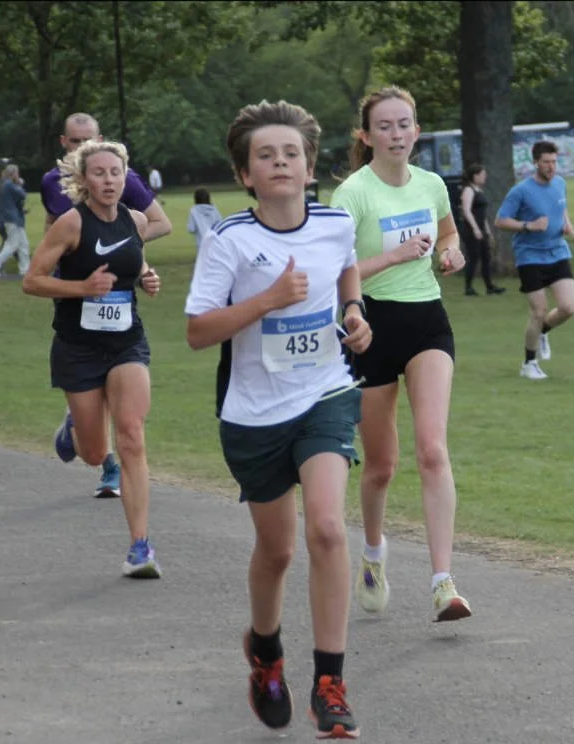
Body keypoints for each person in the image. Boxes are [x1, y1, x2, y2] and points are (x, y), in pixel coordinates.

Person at [185, 100, 371, 740]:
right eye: (266, 155)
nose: (281, 162)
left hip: (324, 396)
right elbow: (197, 332)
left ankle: (330, 682)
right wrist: (267, 300)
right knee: (279, 548)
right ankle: (266, 651)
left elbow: (346, 269)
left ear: (310, 165)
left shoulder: (335, 223)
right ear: (246, 174)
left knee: (325, 528)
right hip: (254, 415)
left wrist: (353, 312)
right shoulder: (229, 241)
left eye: (291, 153)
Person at [330, 85, 473, 624]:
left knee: (432, 449)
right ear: (366, 135)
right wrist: (390, 256)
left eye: (405, 124)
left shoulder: (433, 184)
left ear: (417, 130)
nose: (396, 134)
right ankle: (372, 553)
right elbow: (336, 272)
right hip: (371, 327)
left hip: (427, 323)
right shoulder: (353, 195)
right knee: (382, 466)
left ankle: (443, 583)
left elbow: (447, 231)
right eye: (385, 126)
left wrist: (449, 251)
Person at [22, 140, 163, 579]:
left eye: (115, 173)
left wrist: (146, 276)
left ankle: (140, 546)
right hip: (78, 348)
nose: (109, 180)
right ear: (83, 180)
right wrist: (83, 289)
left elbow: (131, 260)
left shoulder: (135, 220)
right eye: (99, 173)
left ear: (125, 177)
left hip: (126, 342)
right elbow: (33, 281)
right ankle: (74, 427)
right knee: (95, 452)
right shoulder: (70, 224)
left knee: (131, 437)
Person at [40, 112, 172, 498]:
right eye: (77, 142)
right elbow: (52, 225)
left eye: (90, 140)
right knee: (93, 444)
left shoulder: (121, 179)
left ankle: (120, 478)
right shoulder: (52, 182)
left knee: (130, 419)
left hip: (121, 313)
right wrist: (67, 258)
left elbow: (157, 224)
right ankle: (87, 436)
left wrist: (136, 264)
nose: (84, 148)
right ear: (65, 144)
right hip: (76, 302)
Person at [494, 140, 574, 381]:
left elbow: (560, 208)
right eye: (546, 162)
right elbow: (500, 221)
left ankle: (543, 331)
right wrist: (529, 226)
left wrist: (567, 223)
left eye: (554, 162)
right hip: (529, 256)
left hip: (558, 251)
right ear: (535, 163)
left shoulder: (560, 183)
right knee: (538, 310)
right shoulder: (520, 191)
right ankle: (529, 363)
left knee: (568, 308)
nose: (551, 167)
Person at [459, 163, 505, 297]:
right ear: (475, 176)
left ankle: (489, 286)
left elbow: (482, 214)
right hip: (470, 229)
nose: (484, 177)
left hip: (480, 228)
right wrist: (475, 229)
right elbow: (467, 211)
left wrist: (487, 231)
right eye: (482, 175)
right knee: (474, 257)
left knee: (486, 256)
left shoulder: (479, 191)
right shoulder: (468, 190)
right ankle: (468, 288)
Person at [0, 164, 30, 277]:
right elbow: (22, 195)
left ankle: (25, 269)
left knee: (23, 244)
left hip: (10, 218)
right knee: (13, 244)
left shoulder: (2, 185)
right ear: (14, 173)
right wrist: (20, 184)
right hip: (12, 219)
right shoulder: (9, 184)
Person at [186, 187, 223, 252]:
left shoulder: (194, 210)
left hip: (201, 244)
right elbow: (220, 224)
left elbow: (191, 229)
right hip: (215, 241)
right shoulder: (214, 209)